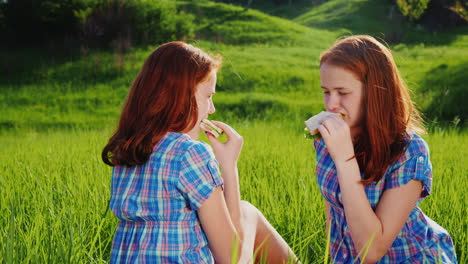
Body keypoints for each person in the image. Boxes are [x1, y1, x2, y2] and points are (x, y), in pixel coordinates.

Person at [102, 41, 298, 263]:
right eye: (208, 96)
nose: (212, 108)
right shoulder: (189, 154)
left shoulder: (125, 152)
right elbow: (230, 257)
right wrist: (229, 167)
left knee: (242, 211)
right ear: (179, 97)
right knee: (249, 214)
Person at [313, 35, 458, 263]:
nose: (331, 104)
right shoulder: (327, 138)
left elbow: (372, 251)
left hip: (410, 258)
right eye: (326, 91)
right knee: (248, 214)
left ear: (375, 93)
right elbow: (333, 209)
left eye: (342, 92)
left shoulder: (410, 151)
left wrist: (345, 161)